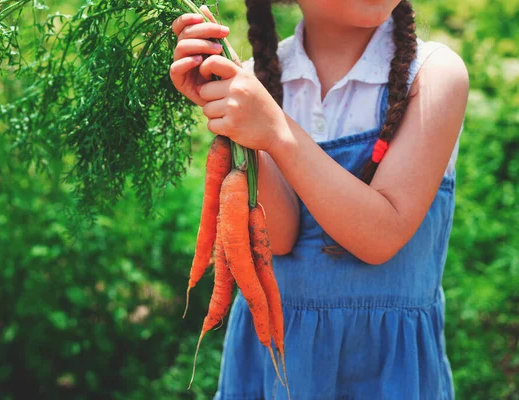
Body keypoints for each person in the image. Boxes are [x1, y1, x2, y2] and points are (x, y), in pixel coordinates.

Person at [170, 0, 468, 398]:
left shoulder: (434, 75)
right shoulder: (258, 81)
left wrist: (275, 130)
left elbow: (381, 236)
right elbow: (279, 238)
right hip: (276, 361)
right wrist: (226, 101)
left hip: (381, 369)